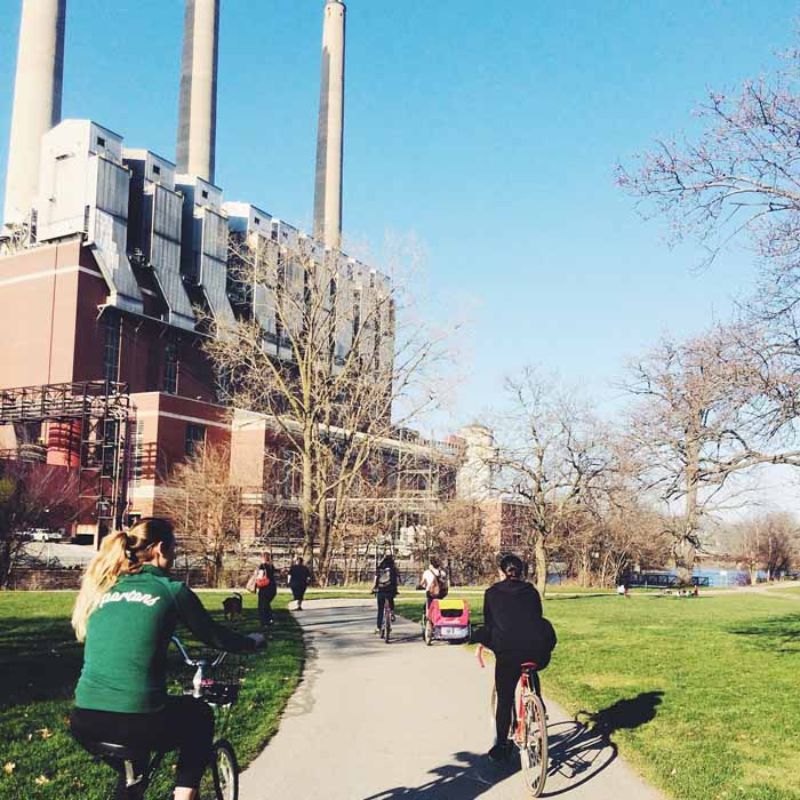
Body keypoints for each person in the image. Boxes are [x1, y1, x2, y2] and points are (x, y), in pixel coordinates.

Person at [69, 518, 264, 800]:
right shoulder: (170, 589)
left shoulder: (105, 586)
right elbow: (214, 636)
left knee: (134, 774)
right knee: (199, 715)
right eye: (175, 548)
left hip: (85, 719)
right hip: (137, 718)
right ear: (160, 548)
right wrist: (251, 642)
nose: (175, 555)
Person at [472, 554, 557, 763]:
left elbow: (490, 625)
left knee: (505, 698)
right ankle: (537, 703)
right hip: (535, 651)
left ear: (501, 572)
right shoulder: (531, 591)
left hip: (507, 653)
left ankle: (502, 746)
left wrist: (481, 641)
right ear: (521, 572)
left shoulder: (492, 593)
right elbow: (536, 619)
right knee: (530, 667)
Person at [372, 554, 400, 632]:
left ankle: (379, 627)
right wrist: (395, 588)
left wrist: (373, 588)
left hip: (380, 590)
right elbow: (397, 581)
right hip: (390, 590)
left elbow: (375, 579)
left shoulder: (379, 568)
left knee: (380, 609)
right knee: (391, 600)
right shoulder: (394, 569)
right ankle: (392, 613)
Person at [256, 552, 277, 627]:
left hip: (264, 587)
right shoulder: (271, 566)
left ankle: (265, 621)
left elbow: (260, 576)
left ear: (263, 558)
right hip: (272, 587)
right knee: (267, 604)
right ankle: (270, 619)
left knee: (262, 605)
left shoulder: (262, 566)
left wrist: (256, 575)